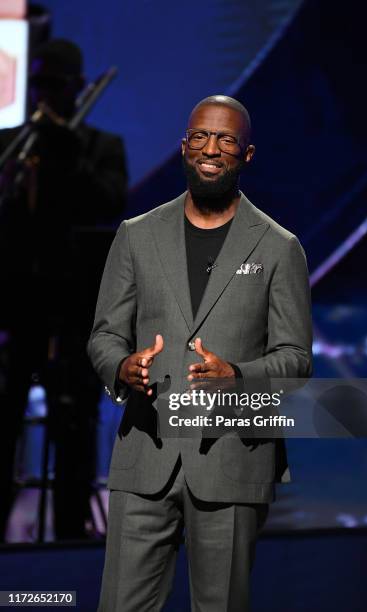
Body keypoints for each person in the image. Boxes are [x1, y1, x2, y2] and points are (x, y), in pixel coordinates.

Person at [88, 95, 312, 611]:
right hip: (146, 456)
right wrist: (121, 367)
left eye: (226, 139)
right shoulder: (136, 236)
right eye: (200, 137)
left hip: (233, 459)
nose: (211, 149)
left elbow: (296, 358)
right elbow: (103, 335)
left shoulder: (279, 247)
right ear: (184, 146)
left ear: (247, 154)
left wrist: (237, 374)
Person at [0, 39, 128, 541]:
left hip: (73, 310)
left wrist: (68, 159)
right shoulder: (11, 142)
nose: (46, 95)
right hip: (15, 308)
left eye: (56, 85)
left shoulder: (100, 148)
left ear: (77, 88)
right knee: (3, 418)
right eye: (40, 85)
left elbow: (109, 204)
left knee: (73, 421)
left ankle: (72, 536)